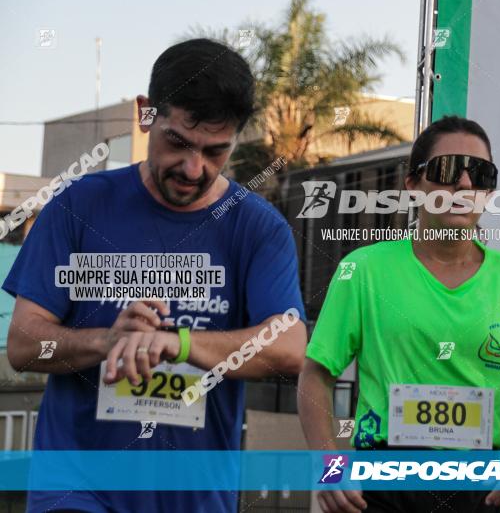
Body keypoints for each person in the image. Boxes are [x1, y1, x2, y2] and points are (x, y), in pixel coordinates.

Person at [4, 38, 307, 513]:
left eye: (215, 151)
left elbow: (289, 348)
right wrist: (105, 342)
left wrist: (177, 344)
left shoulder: (257, 227)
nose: (193, 168)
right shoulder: (79, 205)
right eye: (178, 143)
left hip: (192, 496)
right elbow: (23, 343)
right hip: (77, 488)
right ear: (147, 115)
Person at [298, 115, 500, 513]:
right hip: (383, 486)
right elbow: (316, 375)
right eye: (447, 171)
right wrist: (328, 464)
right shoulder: (363, 271)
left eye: (480, 174)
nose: (464, 184)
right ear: (413, 184)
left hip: (480, 488)